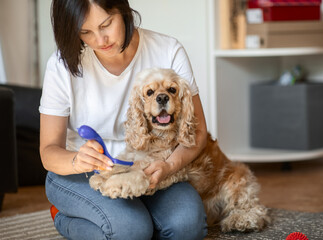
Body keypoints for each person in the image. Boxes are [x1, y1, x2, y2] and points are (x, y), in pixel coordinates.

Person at [39, 0, 209, 239]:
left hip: (150, 165)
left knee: (187, 227)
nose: (100, 40)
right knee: (131, 230)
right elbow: (48, 151)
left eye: (106, 24)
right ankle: (64, 216)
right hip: (82, 173)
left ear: (123, 11)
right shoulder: (61, 65)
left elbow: (198, 132)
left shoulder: (168, 50)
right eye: (85, 32)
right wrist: (77, 160)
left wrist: (170, 166)